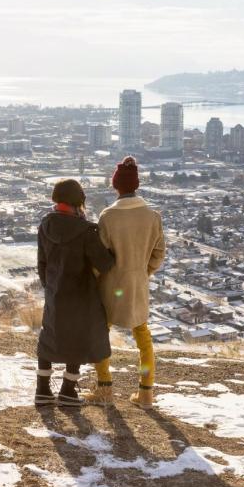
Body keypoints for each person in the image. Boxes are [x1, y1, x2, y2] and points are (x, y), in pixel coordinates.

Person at [86, 156, 165, 410]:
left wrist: (96, 281)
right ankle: (146, 393)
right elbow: (159, 254)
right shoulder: (153, 217)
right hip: (138, 285)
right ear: (137, 185)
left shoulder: (108, 216)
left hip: (111, 286)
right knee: (143, 337)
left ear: (115, 186)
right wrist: (143, 273)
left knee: (101, 334)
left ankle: (104, 388)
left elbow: (101, 258)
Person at [35, 178, 115, 407]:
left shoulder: (45, 225)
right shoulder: (86, 231)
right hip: (81, 296)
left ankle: (42, 390)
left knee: (49, 338)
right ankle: (68, 392)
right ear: (78, 202)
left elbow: (41, 262)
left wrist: (50, 286)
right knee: (77, 341)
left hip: (54, 292)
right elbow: (105, 264)